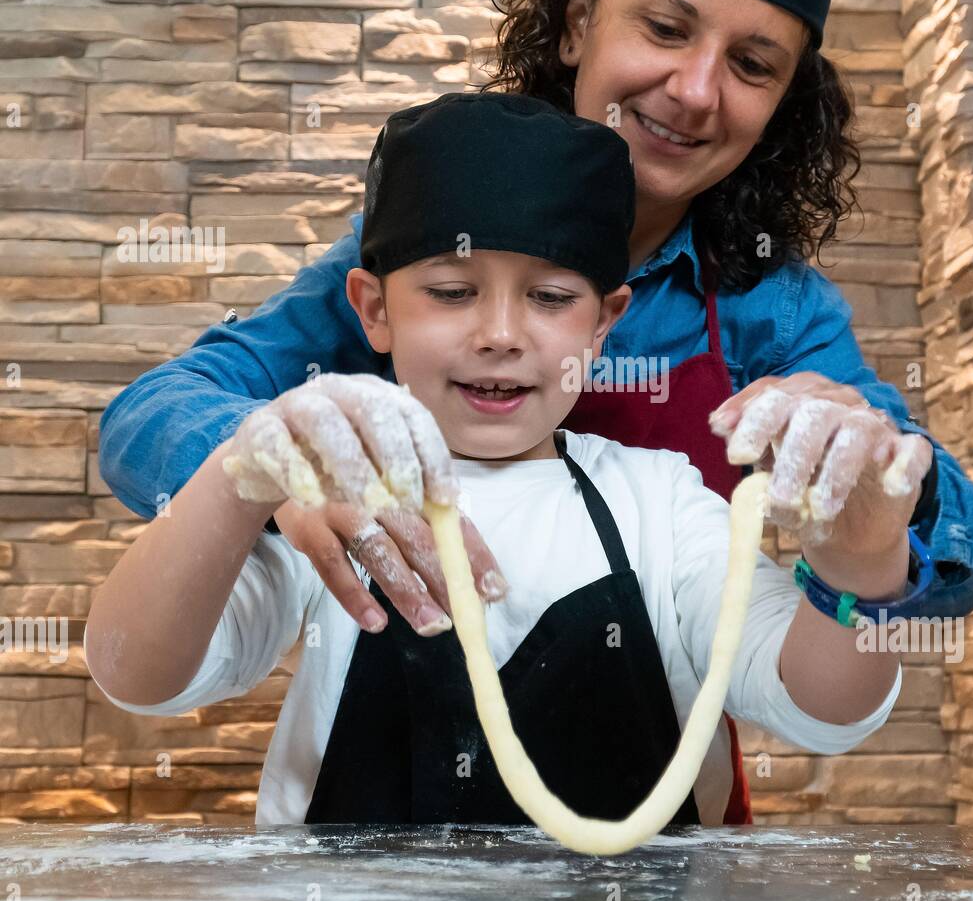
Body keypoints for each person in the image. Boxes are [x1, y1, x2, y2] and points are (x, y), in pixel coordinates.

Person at [95, 0, 973, 819]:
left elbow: (917, 553)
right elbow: (152, 422)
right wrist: (269, 477)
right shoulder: (415, 239)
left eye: (753, 64)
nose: (696, 89)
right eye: (665, 26)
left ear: (609, 317)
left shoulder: (770, 314)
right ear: (579, 23)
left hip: (654, 879)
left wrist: (875, 493)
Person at [84, 94, 926, 829]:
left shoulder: (661, 505)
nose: (499, 333)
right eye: (451, 292)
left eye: (552, 298)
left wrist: (857, 565)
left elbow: (824, 709)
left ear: (604, 327)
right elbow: (140, 672)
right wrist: (243, 477)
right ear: (374, 311)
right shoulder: (334, 508)